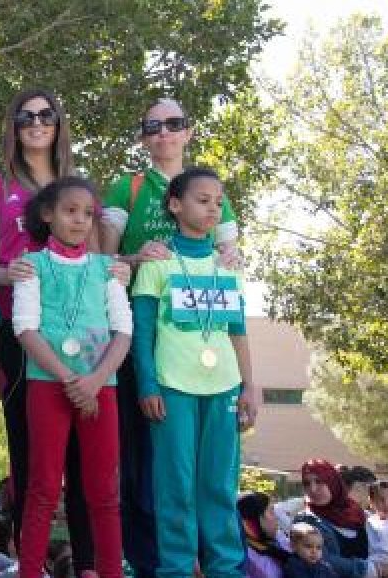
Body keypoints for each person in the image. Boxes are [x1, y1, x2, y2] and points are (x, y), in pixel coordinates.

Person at [0, 88, 124, 572]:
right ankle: (26, 560)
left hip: (89, 348)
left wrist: (128, 265)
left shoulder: (79, 186)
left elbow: (99, 260)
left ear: (59, 122)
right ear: (12, 125)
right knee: (34, 458)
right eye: (25, 115)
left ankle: (87, 561)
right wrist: (4, 273)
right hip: (22, 336)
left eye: (46, 114)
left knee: (90, 470)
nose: (36, 122)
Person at [100, 98, 242, 578]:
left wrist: (250, 382)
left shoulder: (214, 190)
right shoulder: (127, 186)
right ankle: (160, 565)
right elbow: (105, 260)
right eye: (154, 125)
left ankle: (222, 566)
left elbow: (230, 261)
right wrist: (139, 260)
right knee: (156, 473)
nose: (165, 132)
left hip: (217, 377)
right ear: (144, 135)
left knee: (216, 480)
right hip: (146, 355)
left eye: (175, 123)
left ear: (188, 131)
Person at [130, 167, 258, 577]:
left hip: (223, 388)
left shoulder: (228, 266)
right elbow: (143, 330)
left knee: (220, 488)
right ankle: (177, 570)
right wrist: (148, 384)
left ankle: (226, 570)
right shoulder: (158, 262)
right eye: (202, 200)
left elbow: (238, 330)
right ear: (175, 205)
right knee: (176, 489)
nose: (212, 209)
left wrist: (249, 387)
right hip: (172, 388)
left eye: (218, 203)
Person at [11, 176, 132, 578]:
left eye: (87, 213)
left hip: (102, 388)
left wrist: (95, 380)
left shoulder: (107, 269)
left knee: (104, 492)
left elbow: (123, 331)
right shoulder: (31, 267)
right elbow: (25, 329)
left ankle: (110, 571)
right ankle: (29, 570)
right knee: (43, 488)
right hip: (48, 386)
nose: (79, 220)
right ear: (48, 215)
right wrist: (70, 379)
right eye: (69, 211)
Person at [293, 459, 388, 578]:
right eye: (307, 483)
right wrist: (378, 569)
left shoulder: (357, 513)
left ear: (333, 482)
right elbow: (322, 559)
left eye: (319, 481)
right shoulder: (306, 520)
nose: (312, 489)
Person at [240, 492, 290, 578]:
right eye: (271, 511)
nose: (276, 517)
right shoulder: (245, 556)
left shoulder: (277, 537)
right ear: (256, 519)